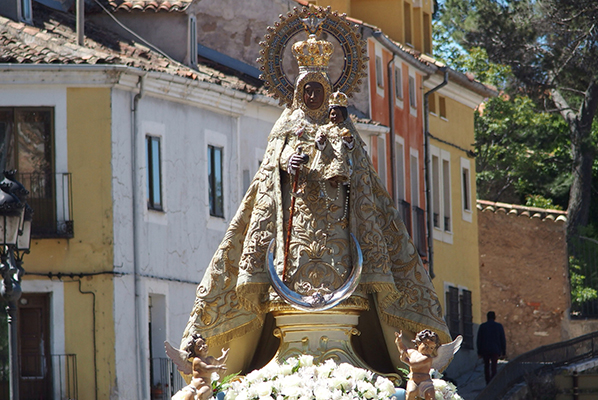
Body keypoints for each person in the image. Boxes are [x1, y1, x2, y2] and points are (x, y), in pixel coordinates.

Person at [180, 8, 449, 376]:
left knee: (343, 274)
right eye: (305, 88)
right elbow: (270, 170)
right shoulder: (285, 126)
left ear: (327, 89)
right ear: (297, 88)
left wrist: (345, 161)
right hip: (293, 234)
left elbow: (362, 178)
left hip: (339, 228)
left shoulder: (344, 128)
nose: (310, 94)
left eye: (316, 88)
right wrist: (285, 165)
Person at [172, 333, 229, 400]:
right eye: (199, 346)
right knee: (189, 395)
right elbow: (206, 368)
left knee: (201, 395)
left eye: (204, 344)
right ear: (194, 351)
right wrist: (218, 368)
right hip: (193, 386)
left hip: (206, 386)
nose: (203, 346)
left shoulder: (210, 359)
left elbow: (219, 362)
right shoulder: (197, 360)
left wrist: (224, 355)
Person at [394, 330, 441, 400]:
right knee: (411, 393)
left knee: (431, 397)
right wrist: (399, 342)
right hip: (414, 380)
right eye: (426, 345)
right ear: (419, 343)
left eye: (431, 348)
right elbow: (404, 350)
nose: (428, 349)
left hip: (426, 382)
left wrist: (405, 360)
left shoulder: (427, 358)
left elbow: (415, 364)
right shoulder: (412, 352)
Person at [476, 311, 506, 384]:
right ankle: (493, 382)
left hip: (485, 350)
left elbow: (479, 340)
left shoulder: (483, 326)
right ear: (494, 317)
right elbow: (502, 339)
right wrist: (503, 351)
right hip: (495, 349)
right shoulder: (499, 326)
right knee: (494, 367)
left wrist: (479, 352)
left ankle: (487, 382)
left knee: (486, 366)